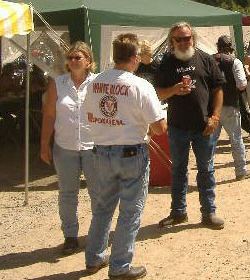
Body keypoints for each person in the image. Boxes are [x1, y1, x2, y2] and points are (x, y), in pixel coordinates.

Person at [84, 33, 167, 279]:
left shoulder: (94, 82)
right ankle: (120, 265)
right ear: (135, 57)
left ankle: (94, 257)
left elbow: (89, 115)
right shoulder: (141, 85)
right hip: (131, 152)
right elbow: (159, 127)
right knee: (130, 211)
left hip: (102, 150)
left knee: (102, 207)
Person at [155, 22, 225, 229]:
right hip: (177, 127)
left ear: (193, 38)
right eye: (180, 39)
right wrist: (174, 90)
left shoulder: (206, 58)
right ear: (172, 41)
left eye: (188, 38)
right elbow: (157, 93)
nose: (184, 42)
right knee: (178, 171)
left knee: (206, 170)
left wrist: (215, 117)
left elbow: (218, 89)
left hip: (204, 126)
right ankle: (178, 212)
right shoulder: (166, 62)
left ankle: (208, 213)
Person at [40, 41, 97, 255]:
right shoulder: (57, 83)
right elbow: (49, 114)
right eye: (71, 58)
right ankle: (70, 236)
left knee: (98, 193)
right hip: (65, 146)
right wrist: (44, 144)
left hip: (93, 146)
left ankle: (97, 233)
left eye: (78, 57)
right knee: (67, 193)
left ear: (88, 61)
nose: (73, 61)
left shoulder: (97, 83)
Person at [213, 35, 250, 181]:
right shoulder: (234, 61)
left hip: (212, 107)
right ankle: (241, 171)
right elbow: (242, 84)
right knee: (236, 139)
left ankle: (206, 172)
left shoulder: (208, 60)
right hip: (230, 104)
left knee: (210, 142)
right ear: (231, 47)